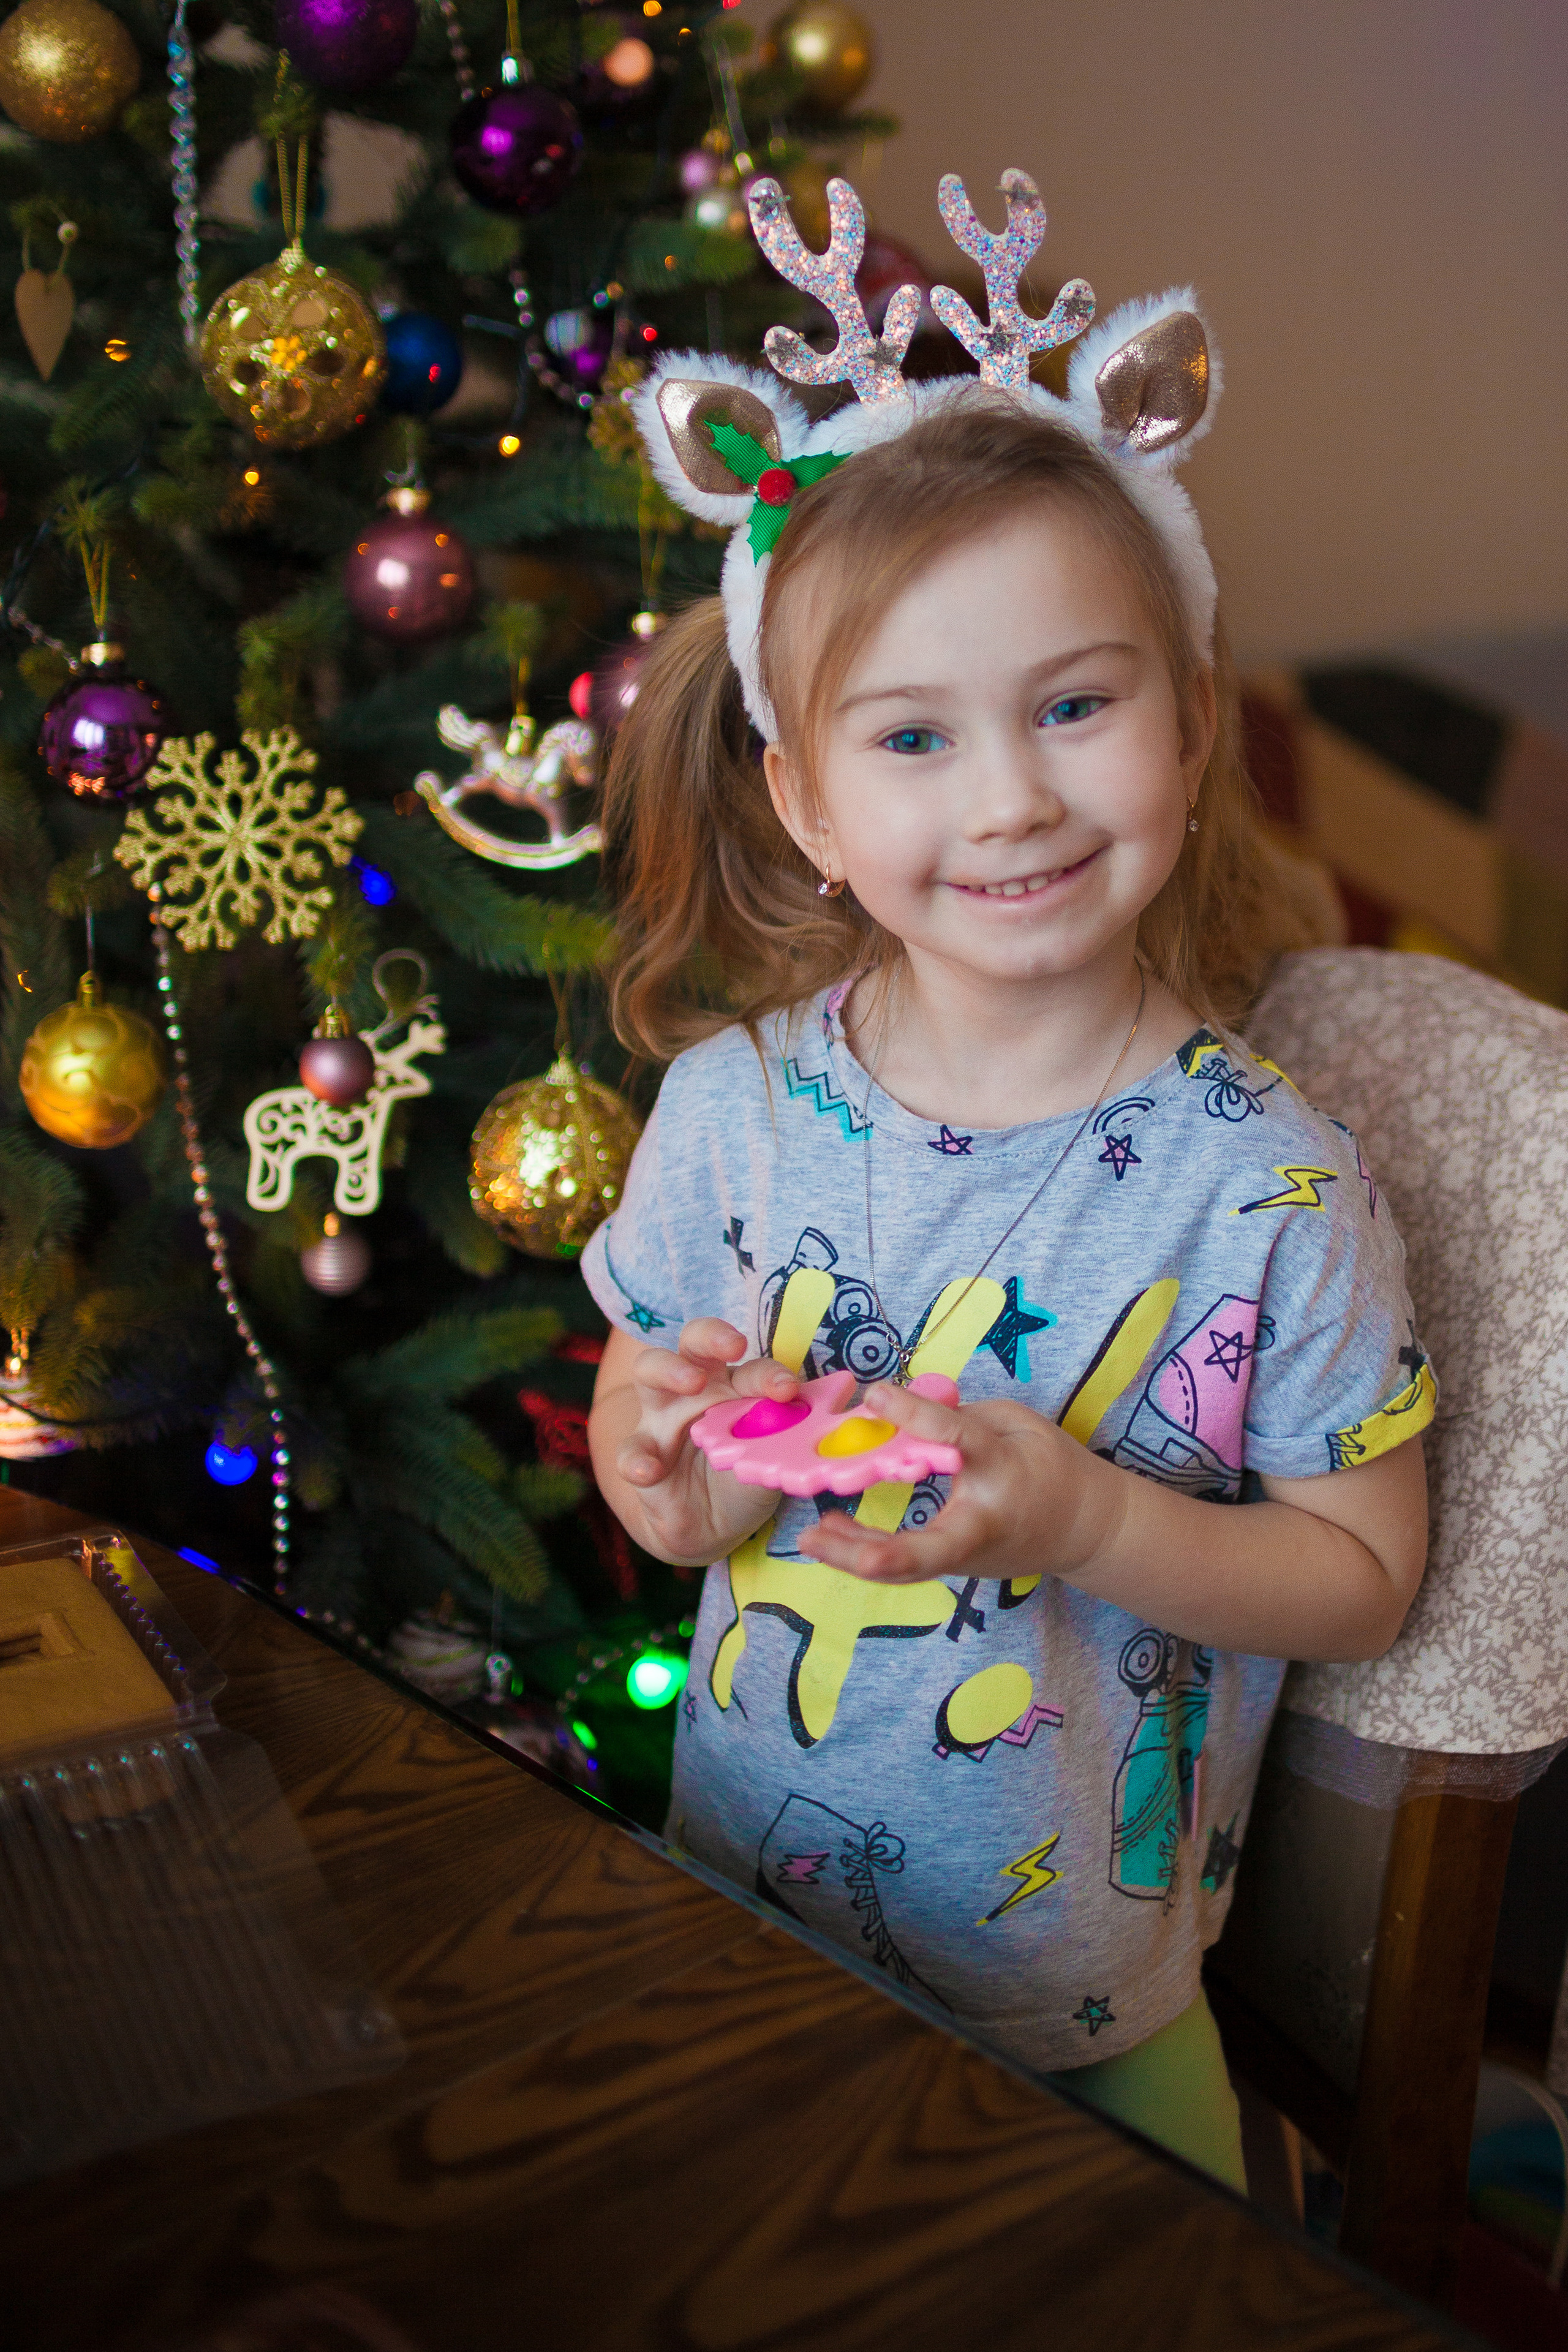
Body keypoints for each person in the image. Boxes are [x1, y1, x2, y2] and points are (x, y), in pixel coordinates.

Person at [582, 168, 1433, 2195]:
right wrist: (664, 1475)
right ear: (801, 801)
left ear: (1197, 719)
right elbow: (682, 1493)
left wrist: (1078, 1514)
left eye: (1074, 704)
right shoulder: (731, 1114)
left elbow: (1364, 1575)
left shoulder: (1275, 1197)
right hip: (733, 1929)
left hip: (1087, 2025)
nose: (1016, 798)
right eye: (915, 737)